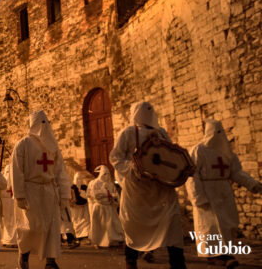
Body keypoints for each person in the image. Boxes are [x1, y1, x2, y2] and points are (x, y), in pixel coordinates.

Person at [109, 101, 187, 269]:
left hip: (161, 188)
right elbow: (116, 157)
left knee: (172, 223)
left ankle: (178, 264)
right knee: (134, 225)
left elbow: (171, 155)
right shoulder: (128, 133)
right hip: (138, 189)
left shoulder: (162, 133)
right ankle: (131, 261)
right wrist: (132, 171)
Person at [186, 118, 262, 268]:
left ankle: (227, 254)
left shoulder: (227, 153)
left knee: (226, 224)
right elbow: (192, 175)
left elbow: (236, 172)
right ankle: (213, 256)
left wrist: (252, 184)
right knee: (209, 226)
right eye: (215, 132)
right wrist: (197, 196)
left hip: (223, 192)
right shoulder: (198, 150)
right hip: (207, 191)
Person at [11, 109, 70, 269]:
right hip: (31, 191)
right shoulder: (23, 144)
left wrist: (65, 195)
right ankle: (24, 255)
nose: (44, 126)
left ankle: (50, 261)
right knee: (30, 228)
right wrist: (20, 195)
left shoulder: (53, 147)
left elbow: (60, 172)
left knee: (52, 226)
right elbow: (17, 170)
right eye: (41, 123)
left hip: (50, 192)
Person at [86, 165, 124, 248]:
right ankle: (99, 241)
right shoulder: (95, 183)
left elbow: (116, 195)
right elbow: (95, 195)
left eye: (107, 174)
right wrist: (108, 194)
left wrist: (111, 197)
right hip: (99, 207)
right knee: (100, 225)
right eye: (104, 174)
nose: (106, 176)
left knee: (111, 224)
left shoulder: (110, 184)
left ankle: (113, 240)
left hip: (109, 207)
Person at [68, 173, 90, 242]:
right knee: (76, 221)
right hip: (75, 209)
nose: (79, 180)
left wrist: (84, 195)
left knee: (85, 222)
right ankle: (77, 235)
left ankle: (84, 235)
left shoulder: (84, 187)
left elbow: (88, 195)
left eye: (80, 178)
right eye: (77, 179)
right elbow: (70, 198)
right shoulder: (72, 187)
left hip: (84, 208)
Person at [0, 164, 17, 247]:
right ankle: (6, 239)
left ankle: (14, 240)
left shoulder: (16, 181)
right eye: (7, 172)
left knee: (14, 220)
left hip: (14, 201)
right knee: (6, 220)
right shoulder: (3, 182)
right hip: (6, 201)